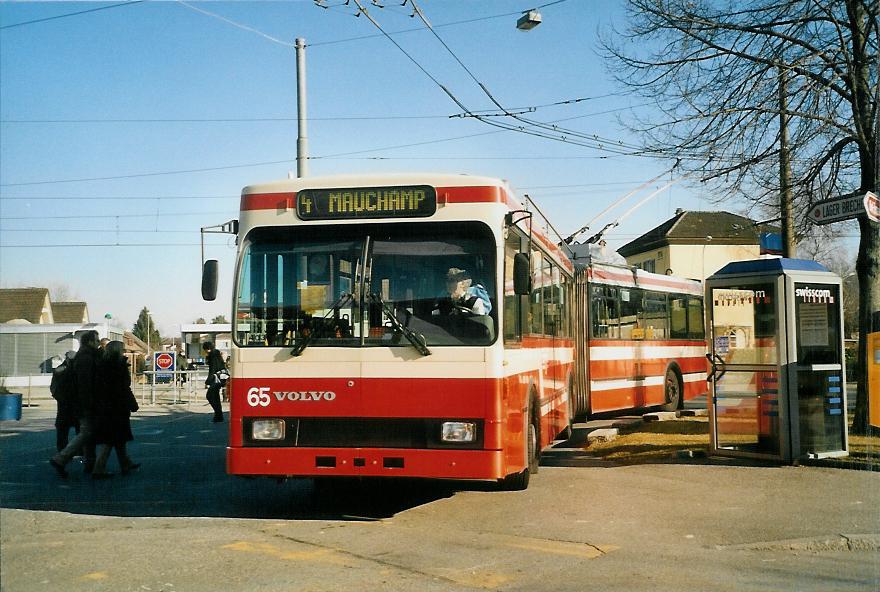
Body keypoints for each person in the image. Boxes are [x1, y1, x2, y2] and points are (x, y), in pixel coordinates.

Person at [50, 330, 100, 478]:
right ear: (90, 342)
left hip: (77, 403)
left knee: (88, 433)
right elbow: (85, 384)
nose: (98, 344)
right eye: (96, 341)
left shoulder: (83, 356)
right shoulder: (86, 358)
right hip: (83, 403)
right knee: (86, 433)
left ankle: (91, 465)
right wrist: (88, 404)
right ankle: (61, 458)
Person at [91, 341, 140, 478]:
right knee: (112, 438)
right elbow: (124, 387)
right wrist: (132, 403)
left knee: (118, 438)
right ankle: (99, 468)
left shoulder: (102, 365)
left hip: (106, 406)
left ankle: (125, 463)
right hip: (117, 406)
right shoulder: (118, 365)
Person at [50, 351, 80, 453]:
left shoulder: (59, 370)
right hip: (73, 403)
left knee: (63, 428)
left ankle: (62, 449)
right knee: (78, 427)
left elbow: (53, 387)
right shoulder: (75, 369)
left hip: (64, 403)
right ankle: (79, 449)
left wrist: (58, 397)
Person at [202, 341, 226, 423]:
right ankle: (218, 416)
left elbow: (212, 369)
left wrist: (208, 381)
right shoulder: (217, 354)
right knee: (216, 397)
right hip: (221, 378)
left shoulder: (212, 355)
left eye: (205, 350)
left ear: (207, 349)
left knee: (209, 396)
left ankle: (218, 414)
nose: (205, 352)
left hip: (216, 378)